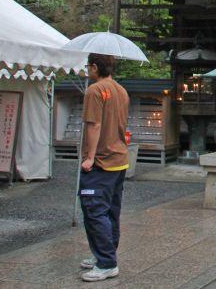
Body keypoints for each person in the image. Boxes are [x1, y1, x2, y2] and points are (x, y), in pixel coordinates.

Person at [78, 53, 129, 282]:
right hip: (119, 158)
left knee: (94, 210)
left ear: (96, 67)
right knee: (110, 211)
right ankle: (104, 254)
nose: (88, 70)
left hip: (101, 159)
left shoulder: (95, 90)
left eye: (89, 66)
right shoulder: (121, 90)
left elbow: (94, 124)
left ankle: (107, 262)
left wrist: (89, 156)